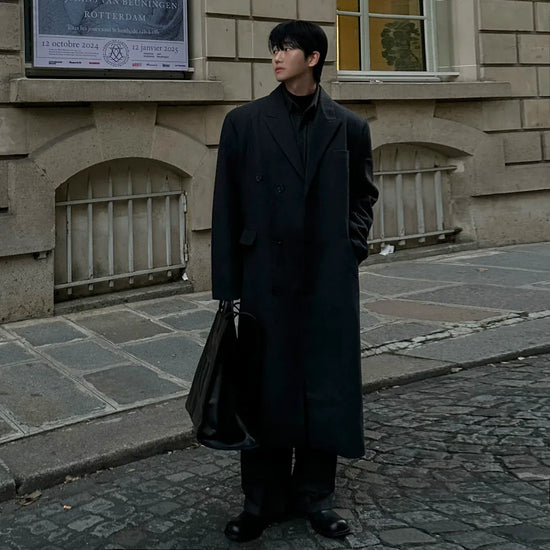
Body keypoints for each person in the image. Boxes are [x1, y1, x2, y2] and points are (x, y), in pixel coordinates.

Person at [211, 20, 378, 543]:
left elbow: (363, 195)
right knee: (264, 391)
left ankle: (315, 496)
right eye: (274, 49)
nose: (276, 58)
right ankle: (260, 502)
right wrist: (227, 285)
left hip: (327, 281)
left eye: (285, 49)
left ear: (314, 58)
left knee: (323, 388)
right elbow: (226, 205)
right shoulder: (244, 123)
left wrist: (350, 246)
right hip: (266, 278)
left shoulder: (349, 126)